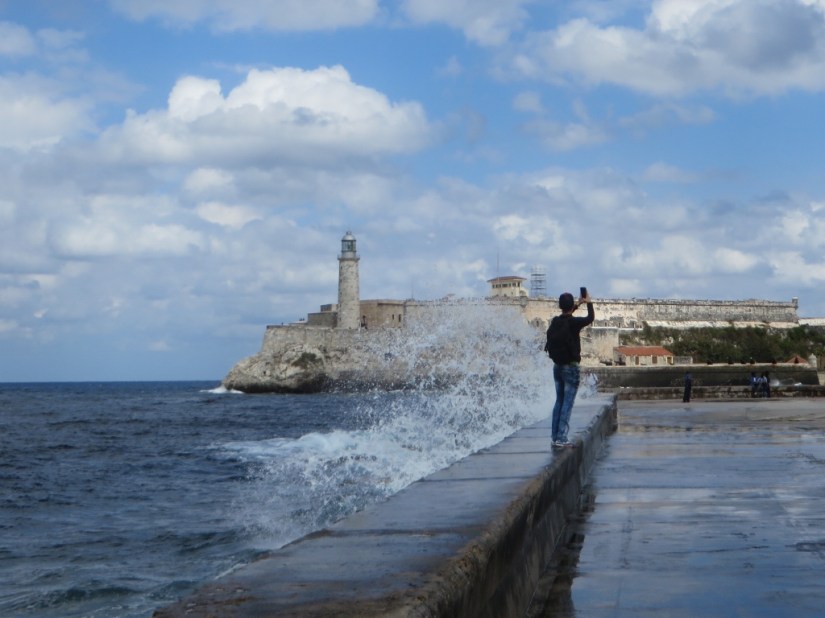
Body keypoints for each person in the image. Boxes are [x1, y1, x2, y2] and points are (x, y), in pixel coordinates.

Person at [546, 290, 595, 448]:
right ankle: (561, 437)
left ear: (560, 306)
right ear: (570, 305)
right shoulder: (573, 323)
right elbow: (590, 318)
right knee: (567, 402)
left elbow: (566, 314)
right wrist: (589, 303)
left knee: (559, 401)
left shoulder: (555, 322)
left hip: (557, 367)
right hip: (571, 368)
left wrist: (578, 304)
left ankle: (555, 436)